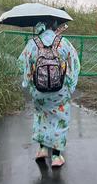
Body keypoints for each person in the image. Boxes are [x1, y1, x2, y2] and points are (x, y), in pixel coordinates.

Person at [18, 18, 80, 168]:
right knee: (60, 119)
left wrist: (28, 83)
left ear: (42, 26)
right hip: (60, 91)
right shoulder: (64, 42)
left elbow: (21, 63)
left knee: (41, 117)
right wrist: (70, 86)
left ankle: (42, 149)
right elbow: (75, 64)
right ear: (55, 26)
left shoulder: (33, 43)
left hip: (39, 91)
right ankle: (57, 157)